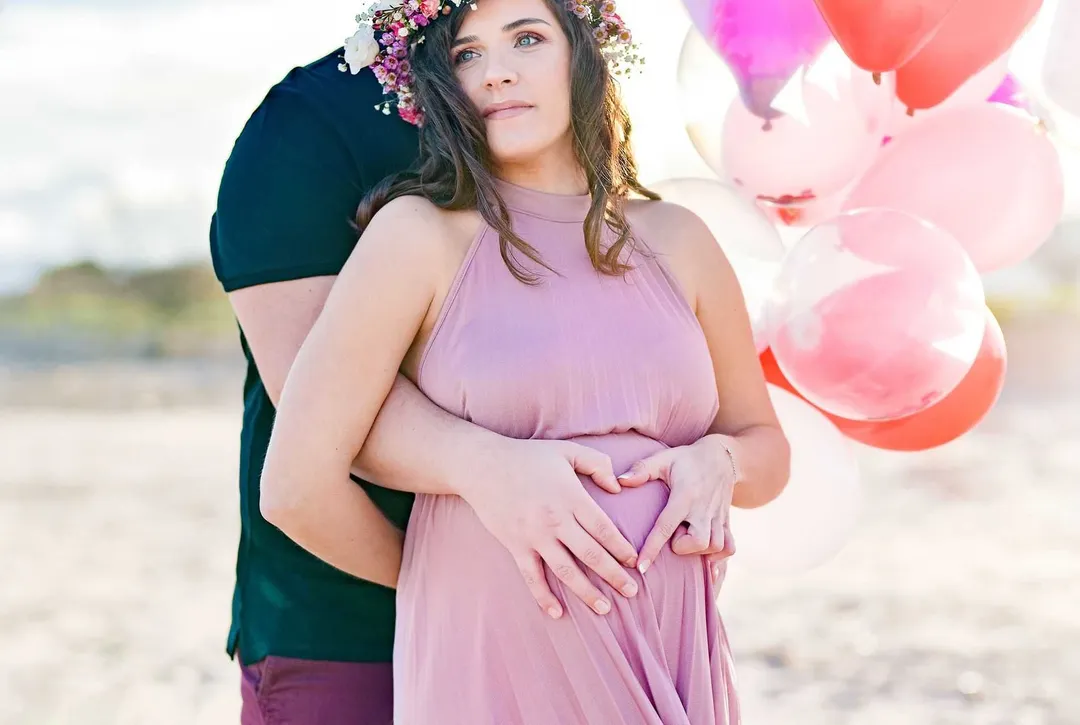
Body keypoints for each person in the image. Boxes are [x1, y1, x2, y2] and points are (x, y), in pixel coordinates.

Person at [209, 0, 771, 721]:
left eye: (527, 40)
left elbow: (761, 441)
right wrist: (456, 578)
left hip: (667, 644)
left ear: (585, 53)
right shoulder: (335, 163)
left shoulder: (678, 237)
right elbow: (301, 465)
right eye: (466, 55)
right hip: (452, 645)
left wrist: (720, 459)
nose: (497, 73)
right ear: (439, 85)